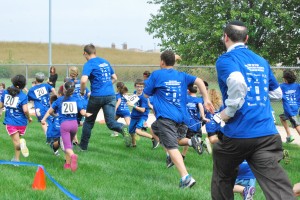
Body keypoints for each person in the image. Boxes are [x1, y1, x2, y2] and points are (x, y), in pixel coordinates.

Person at [212, 20, 294, 199]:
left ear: (225, 37)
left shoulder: (226, 59)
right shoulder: (261, 61)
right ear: (246, 38)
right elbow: (277, 93)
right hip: (267, 135)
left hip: (239, 135)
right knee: (277, 185)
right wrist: (256, 96)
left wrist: (229, 111)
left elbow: (237, 82)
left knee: (222, 175)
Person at [144, 50, 214, 189]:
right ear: (174, 62)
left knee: (172, 146)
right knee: (154, 129)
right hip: (182, 117)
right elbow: (199, 81)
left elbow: (146, 94)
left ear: (162, 62)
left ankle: (185, 177)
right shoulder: (181, 75)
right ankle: (190, 141)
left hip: (166, 117)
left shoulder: (157, 75)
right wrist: (206, 99)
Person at [79, 43, 130, 151]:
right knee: (111, 122)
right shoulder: (105, 61)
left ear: (85, 53)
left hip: (96, 96)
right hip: (110, 95)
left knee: (88, 122)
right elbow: (115, 78)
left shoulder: (89, 64)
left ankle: (83, 148)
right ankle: (123, 128)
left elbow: (83, 80)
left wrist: (82, 91)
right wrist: (106, 85)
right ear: (95, 52)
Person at [41, 81, 86, 171]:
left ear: (64, 89)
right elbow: (82, 112)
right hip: (74, 125)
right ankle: (67, 164)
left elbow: (50, 111)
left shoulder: (59, 100)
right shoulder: (76, 99)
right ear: (73, 90)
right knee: (69, 143)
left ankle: (73, 156)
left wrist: (43, 119)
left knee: (67, 146)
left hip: (65, 125)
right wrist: (88, 114)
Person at [0, 75, 32, 163]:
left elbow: (1, 105)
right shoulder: (23, 96)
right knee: (17, 140)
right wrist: (29, 118)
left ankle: (17, 161)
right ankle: (16, 157)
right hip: (22, 123)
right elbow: (25, 110)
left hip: (11, 122)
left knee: (16, 142)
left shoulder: (5, 92)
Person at [126, 79, 158, 147]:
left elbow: (143, 110)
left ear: (143, 87)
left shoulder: (144, 97)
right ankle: (134, 144)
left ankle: (153, 138)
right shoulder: (135, 92)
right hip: (134, 115)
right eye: (138, 86)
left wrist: (132, 105)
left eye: (141, 87)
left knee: (138, 131)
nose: (139, 88)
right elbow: (133, 100)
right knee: (131, 131)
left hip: (142, 116)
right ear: (135, 86)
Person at [279, 69, 300, 143]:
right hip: (295, 107)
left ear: (286, 79)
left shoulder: (282, 86)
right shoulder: (298, 86)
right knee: (282, 117)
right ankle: (289, 135)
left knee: (296, 124)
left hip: (289, 109)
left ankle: (289, 135)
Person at [204, 89, 224, 154]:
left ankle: (208, 142)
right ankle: (215, 151)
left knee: (212, 140)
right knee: (216, 139)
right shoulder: (220, 104)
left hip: (210, 124)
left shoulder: (206, 104)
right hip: (218, 124)